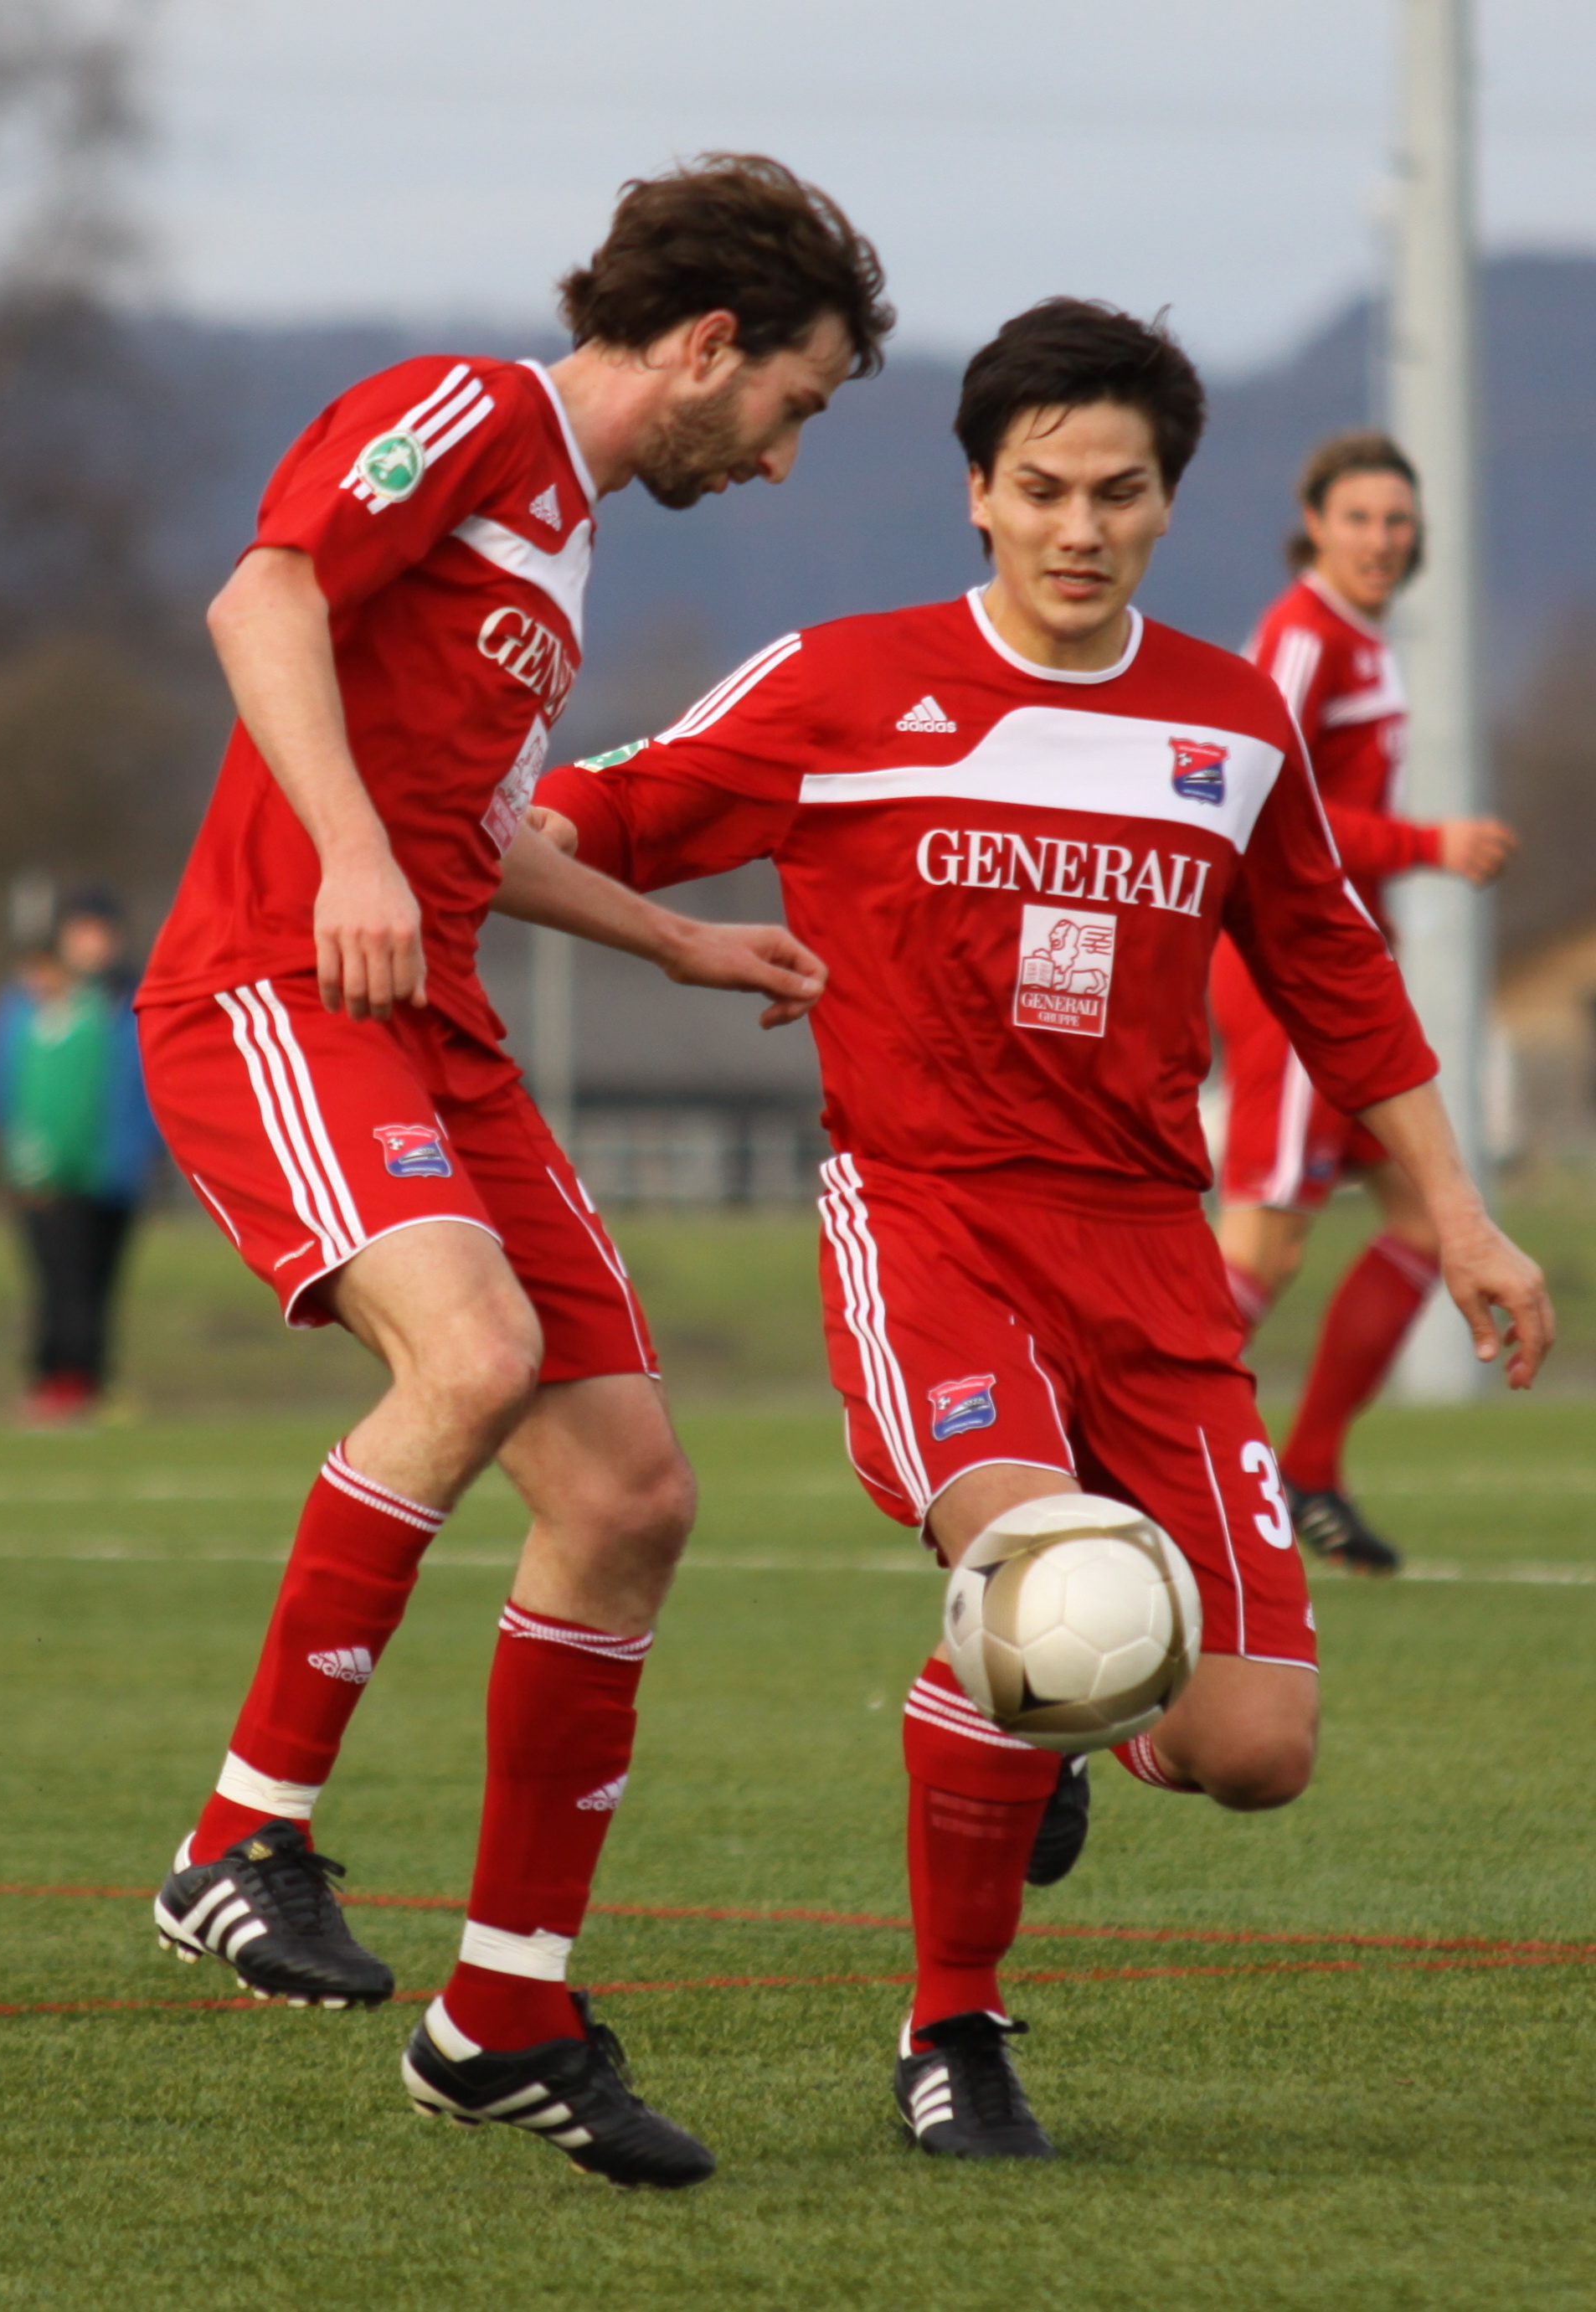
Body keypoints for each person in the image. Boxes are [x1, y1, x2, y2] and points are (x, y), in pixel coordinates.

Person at [527, 299, 1552, 2160]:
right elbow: (575, 818)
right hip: (929, 1223)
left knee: (1254, 1753)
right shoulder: (840, 684)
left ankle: (1078, 1702)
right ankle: (955, 2026)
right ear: (977, 495)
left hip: (1151, 1253)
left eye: (1120, 493)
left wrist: (1462, 1220)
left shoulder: (1229, 721)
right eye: (1043, 488)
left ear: (1168, 503)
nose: (1080, 527)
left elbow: (1338, 983)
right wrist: (492, 881)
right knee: (1042, 1568)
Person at [131, 155, 883, 2190]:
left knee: (631, 1495)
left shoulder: (557, 544)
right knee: (467, 1355)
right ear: (706, 345)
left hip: (434, 1023)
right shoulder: (465, 411)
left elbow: (470, 832)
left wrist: (675, 940)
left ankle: (506, 2013)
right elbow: (260, 597)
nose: (783, 456)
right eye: (793, 404)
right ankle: (238, 1837)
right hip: (284, 983)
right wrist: (349, 854)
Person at [1212, 434, 1516, 1574]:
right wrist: (1425, 843)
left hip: (1345, 974)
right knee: (1265, 1242)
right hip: (1289, 977)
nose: (1382, 538)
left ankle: (1310, 1471)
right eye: (1359, 518)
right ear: (1314, 524)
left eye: (1397, 519)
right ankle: (1113, 1445)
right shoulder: (1302, 636)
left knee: (1429, 1224)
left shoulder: (1359, 638)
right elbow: (1264, 799)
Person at [0, 893, 157, 1419]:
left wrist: (143, 1149)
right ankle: (55, 1379)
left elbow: (145, 1084)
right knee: (58, 1281)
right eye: (83, 932)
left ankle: (91, 1380)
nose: (93, 944)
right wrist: (24, 1154)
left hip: (117, 1169)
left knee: (99, 1283)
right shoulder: (27, 1004)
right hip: (49, 1171)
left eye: (102, 932)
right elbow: (1, 1082)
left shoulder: (131, 999)